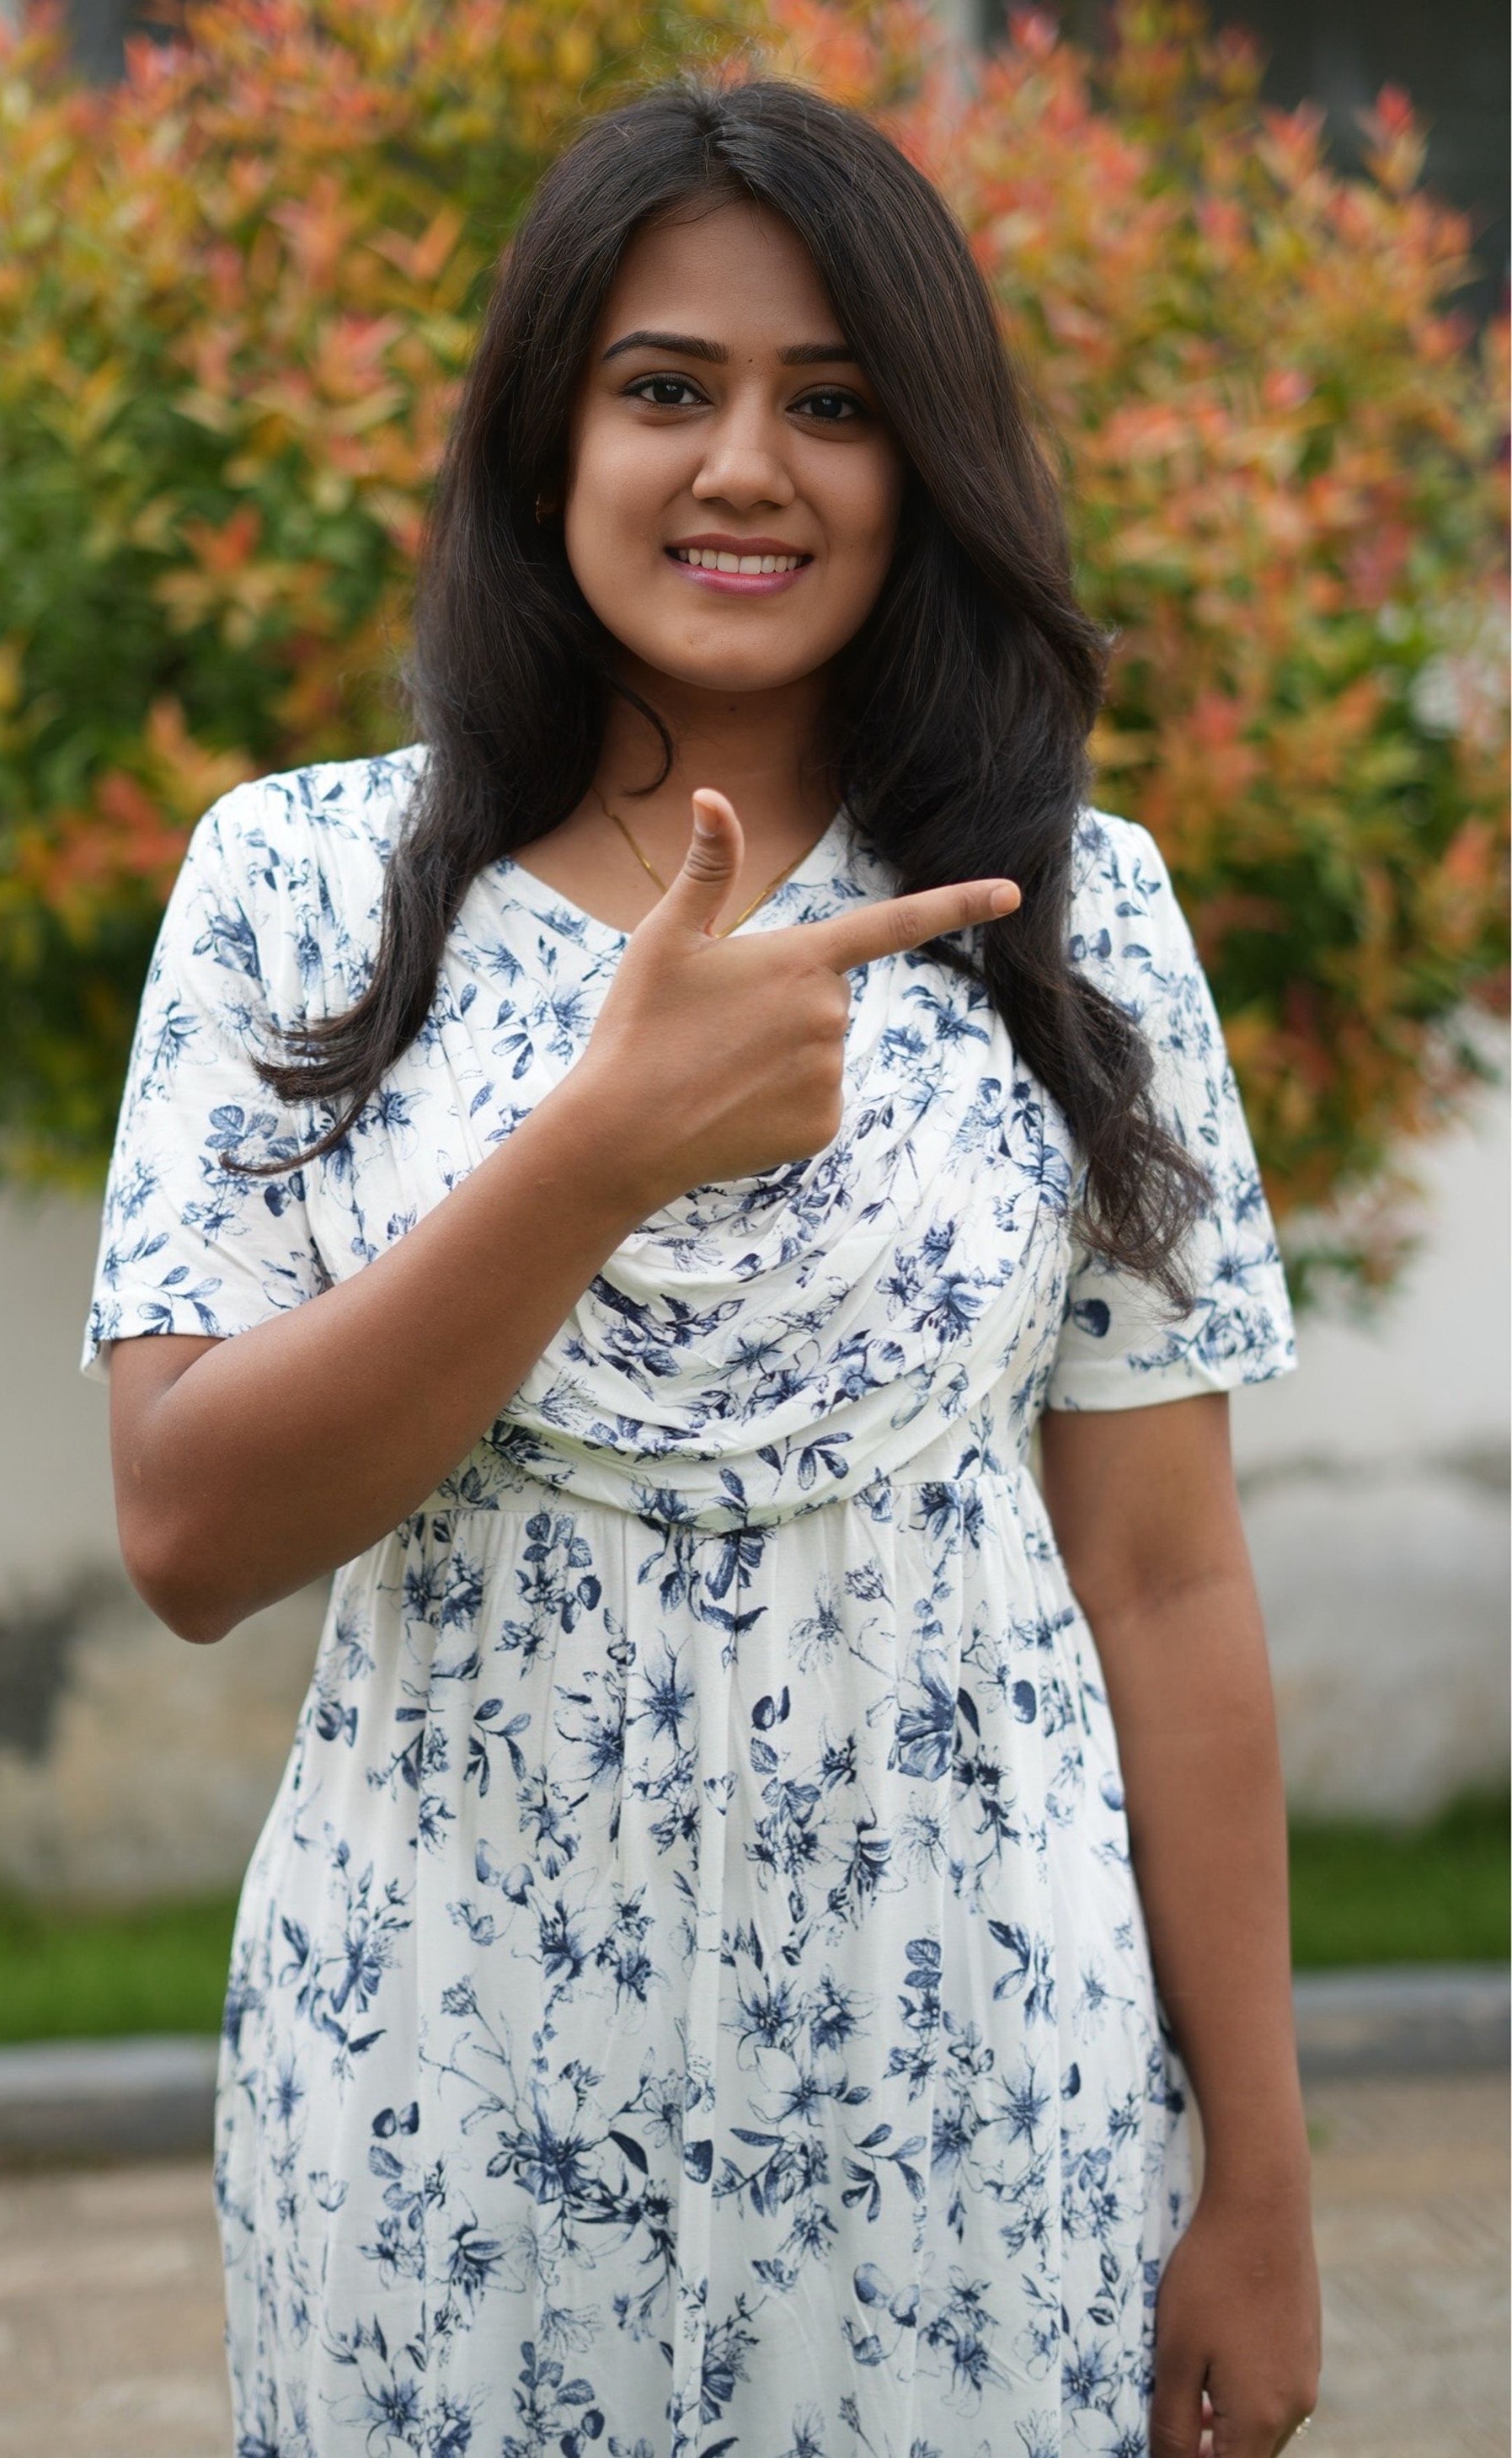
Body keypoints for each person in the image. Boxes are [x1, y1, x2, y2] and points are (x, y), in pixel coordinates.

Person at [83, 77, 1320, 2458]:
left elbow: (1167, 1582)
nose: (745, 466)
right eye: (666, 387)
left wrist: (1257, 2186)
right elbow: (188, 1533)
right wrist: (596, 1152)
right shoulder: (294, 892)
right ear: (547, 438)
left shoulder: (1078, 923)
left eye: (832, 405)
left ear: (923, 466)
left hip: (973, 2105)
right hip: (444, 2111)